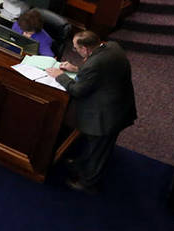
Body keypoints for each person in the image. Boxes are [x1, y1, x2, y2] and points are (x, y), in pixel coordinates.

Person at [45, 31, 136, 194]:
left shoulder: (95, 64)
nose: (74, 51)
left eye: (75, 48)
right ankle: (81, 163)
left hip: (109, 115)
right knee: (94, 145)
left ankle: (88, 182)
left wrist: (60, 76)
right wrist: (77, 69)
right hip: (118, 102)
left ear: (86, 49)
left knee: (99, 150)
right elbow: (101, 72)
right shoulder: (111, 46)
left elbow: (77, 90)